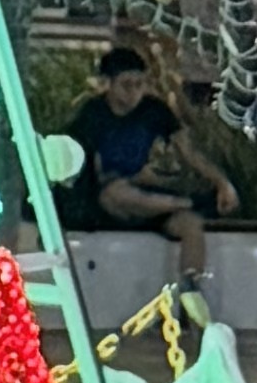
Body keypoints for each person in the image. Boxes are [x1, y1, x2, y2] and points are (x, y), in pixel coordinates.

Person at [70, 33, 239, 281]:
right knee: (116, 193)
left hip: (152, 201)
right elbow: (93, 172)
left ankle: (191, 288)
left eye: (139, 84)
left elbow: (188, 151)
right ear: (109, 84)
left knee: (191, 225)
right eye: (127, 85)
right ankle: (191, 203)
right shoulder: (93, 114)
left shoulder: (154, 110)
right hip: (110, 202)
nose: (134, 92)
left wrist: (222, 182)